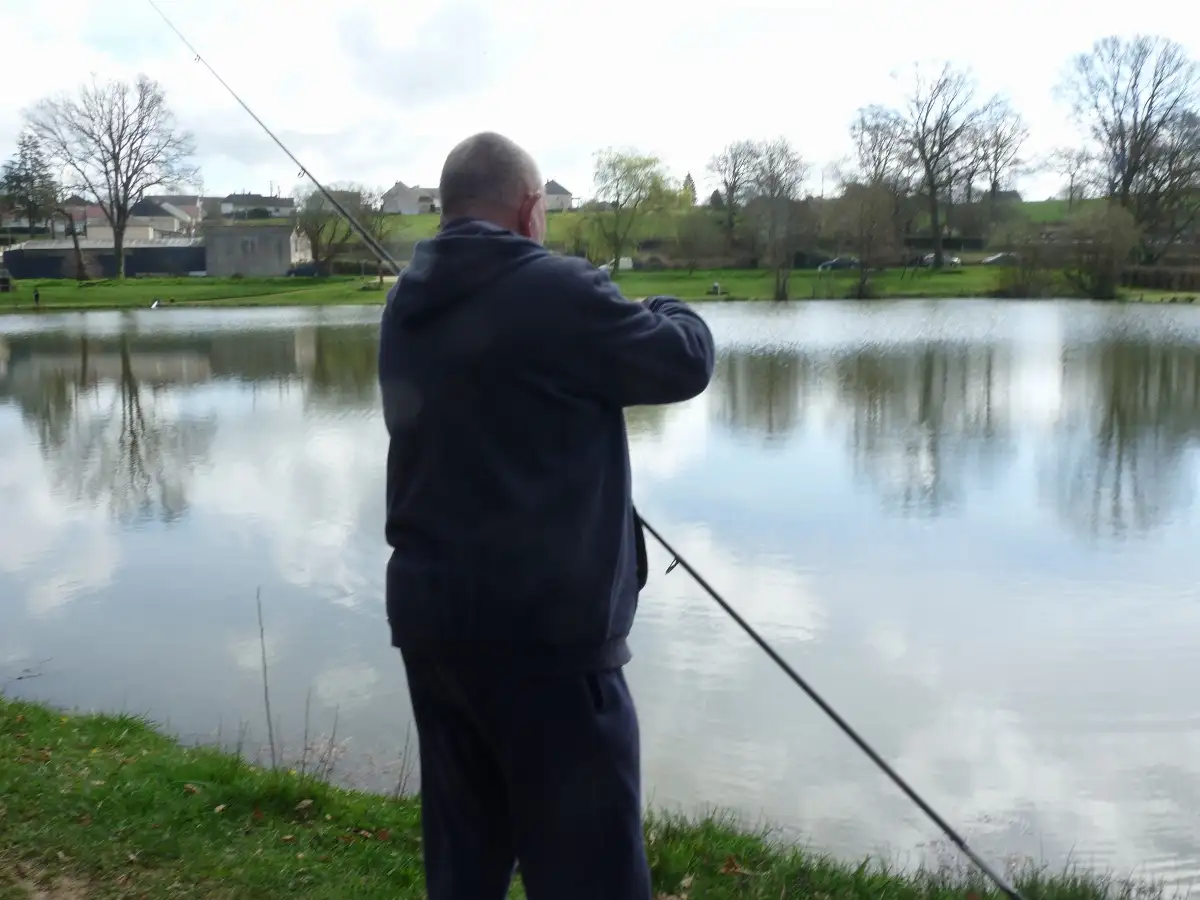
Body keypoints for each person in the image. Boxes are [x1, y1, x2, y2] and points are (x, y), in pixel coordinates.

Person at [377, 131, 715, 900]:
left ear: (446, 207)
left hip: (436, 632)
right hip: (549, 645)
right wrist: (665, 304)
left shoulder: (406, 301)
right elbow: (684, 360)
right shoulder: (558, 290)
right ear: (532, 208)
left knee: (465, 868)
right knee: (593, 876)